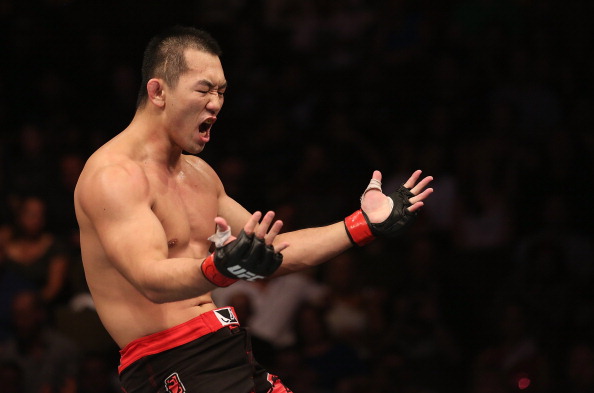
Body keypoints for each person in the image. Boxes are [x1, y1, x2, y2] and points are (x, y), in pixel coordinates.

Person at [73, 25, 434, 393]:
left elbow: (271, 254)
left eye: (221, 91)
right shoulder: (114, 176)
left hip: (228, 352)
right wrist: (221, 268)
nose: (215, 102)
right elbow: (150, 278)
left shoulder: (199, 174)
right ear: (158, 91)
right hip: (170, 363)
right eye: (203, 89)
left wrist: (362, 226)